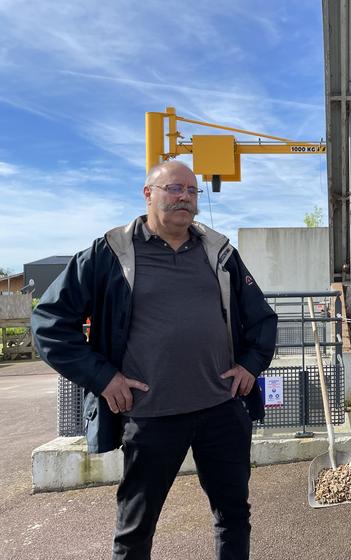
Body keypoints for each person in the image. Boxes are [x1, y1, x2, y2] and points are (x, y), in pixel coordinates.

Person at [32, 160, 278, 560]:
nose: (184, 198)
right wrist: (104, 377)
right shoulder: (109, 253)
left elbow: (263, 318)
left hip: (222, 412)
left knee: (233, 515)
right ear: (148, 193)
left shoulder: (219, 253)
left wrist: (251, 365)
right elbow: (48, 323)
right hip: (150, 417)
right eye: (174, 188)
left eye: (192, 191)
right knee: (136, 528)